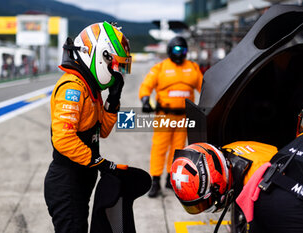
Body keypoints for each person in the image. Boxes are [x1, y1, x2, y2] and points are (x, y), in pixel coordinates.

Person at [44, 21, 132, 233]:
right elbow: (63, 139)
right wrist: (99, 162)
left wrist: (113, 98)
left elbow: (103, 131)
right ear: (100, 56)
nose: (116, 72)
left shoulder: (90, 87)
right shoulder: (73, 87)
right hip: (67, 180)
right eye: (115, 65)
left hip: (82, 176)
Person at [170, 114, 303, 233]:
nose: (206, 207)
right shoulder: (232, 149)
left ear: (218, 182)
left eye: (204, 203)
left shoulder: (258, 188)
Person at [139, 36, 203, 198]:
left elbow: (205, 88)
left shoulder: (193, 68)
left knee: (178, 149)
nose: (180, 53)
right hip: (164, 116)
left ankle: (171, 178)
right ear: (169, 50)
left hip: (183, 117)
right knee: (159, 148)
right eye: (176, 50)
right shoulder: (160, 68)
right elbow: (146, 85)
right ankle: (155, 181)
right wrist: (145, 99)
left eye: (183, 50)